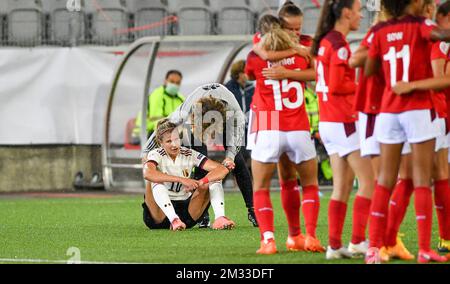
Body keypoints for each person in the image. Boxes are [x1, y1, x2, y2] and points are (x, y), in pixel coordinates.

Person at [364, 0, 450, 264]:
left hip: (389, 111)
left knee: (385, 180)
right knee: (423, 179)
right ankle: (425, 249)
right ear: (414, 3)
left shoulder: (380, 30)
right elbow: (443, 34)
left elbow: (369, 69)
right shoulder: (421, 25)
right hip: (417, 107)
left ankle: (374, 249)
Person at [249, 6, 323, 253]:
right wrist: (294, 55)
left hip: (268, 120)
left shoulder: (259, 53)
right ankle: (305, 236)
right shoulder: (304, 52)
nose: (295, 32)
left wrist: (279, 64)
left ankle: (269, 240)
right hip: (297, 123)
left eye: (298, 28)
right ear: (280, 26)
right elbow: (318, 73)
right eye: (290, 28)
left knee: (262, 186)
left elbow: (249, 70)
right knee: (303, 183)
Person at [141, 83, 257, 228]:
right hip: (198, 117)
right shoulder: (186, 112)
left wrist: (230, 157)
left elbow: (234, 145)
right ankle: (202, 213)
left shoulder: (236, 116)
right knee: (200, 155)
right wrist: (146, 152)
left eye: (210, 134)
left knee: (238, 160)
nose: (208, 138)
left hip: (226, 119)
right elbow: (165, 128)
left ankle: (253, 209)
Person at [312, 0, 375, 260]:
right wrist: (365, 86)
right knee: (369, 182)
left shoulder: (327, 40)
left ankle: (334, 245)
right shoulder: (338, 44)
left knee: (342, 186)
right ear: (347, 13)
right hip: (343, 120)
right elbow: (338, 85)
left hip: (329, 121)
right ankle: (358, 241)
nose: (361, 15)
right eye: (359, 10)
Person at [142, 119, 233, 231]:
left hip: (186, 214)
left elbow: (222, 169)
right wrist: (181, 180)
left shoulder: (189, 154)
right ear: (161, 143)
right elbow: (147, 173)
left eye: (176, 139)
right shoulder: (155, 154)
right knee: (154, 179)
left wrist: (201, 182)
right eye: (169, 141)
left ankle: (220, 218)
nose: (174, 145)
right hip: (158, 216)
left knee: (214, 177)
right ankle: (173, 219)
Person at [133, 70, 185, 140]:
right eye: (172, 81)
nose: (175, 85)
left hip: (168, 131)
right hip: (145, 133)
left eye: (177, 83)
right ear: (165, 81)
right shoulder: (157, 95)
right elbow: (157, 122)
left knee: (193, 140)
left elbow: (185, 118)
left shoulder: (181, 98)